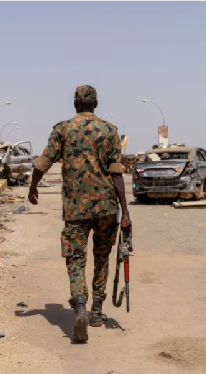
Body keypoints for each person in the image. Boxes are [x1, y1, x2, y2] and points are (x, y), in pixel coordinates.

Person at [28, 85, 131, 343]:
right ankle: (96, 311)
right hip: (107, 206)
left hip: (75, 209)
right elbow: (117, 173)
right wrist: (126, 211)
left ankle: (80, 305)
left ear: (75, 103)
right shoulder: (110, 131)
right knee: (102, 257)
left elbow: (44, 161)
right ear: (95, 104)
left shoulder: (62, 129)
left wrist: (32, 187)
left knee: (75, 259)